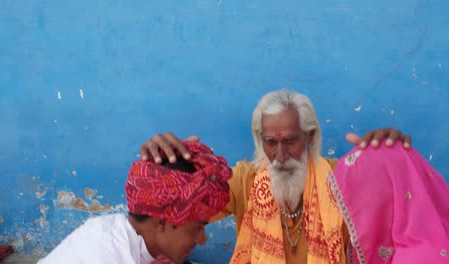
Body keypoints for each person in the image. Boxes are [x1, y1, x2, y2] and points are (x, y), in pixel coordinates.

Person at [140, 89, 412, 263]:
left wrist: (393, 157)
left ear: (311, 137)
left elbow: (403, 207)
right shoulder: (245, 180)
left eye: (291, 141)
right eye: (270, 142)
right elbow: (175, 210)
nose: (280, 156)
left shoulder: (341, 180)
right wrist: (161, 169)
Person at [38, 142, 232, 264]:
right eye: (197, 228)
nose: (202, 240)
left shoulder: (113, 229)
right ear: (161, 222)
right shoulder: (108, 255)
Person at [329, 141, 449, 263]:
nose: (348, 217)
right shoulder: (429, 238)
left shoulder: (417, 258)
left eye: (358, 204)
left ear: (384, 201)